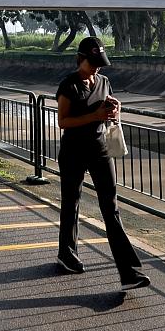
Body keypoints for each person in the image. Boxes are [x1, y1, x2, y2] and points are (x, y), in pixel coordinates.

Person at [54, 36, 149, 290]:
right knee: (71, 202)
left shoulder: (104, 82)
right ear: (81, 58)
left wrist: (114, 109)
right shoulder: (69, 86)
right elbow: (63, 121)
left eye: (100, 63)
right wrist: (94, 115)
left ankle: (128, 272)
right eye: (92, 62)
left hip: (100, 149)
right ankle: (67, 254)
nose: (97, 67)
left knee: (110, 206)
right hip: (73, 152)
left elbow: (107, 109)